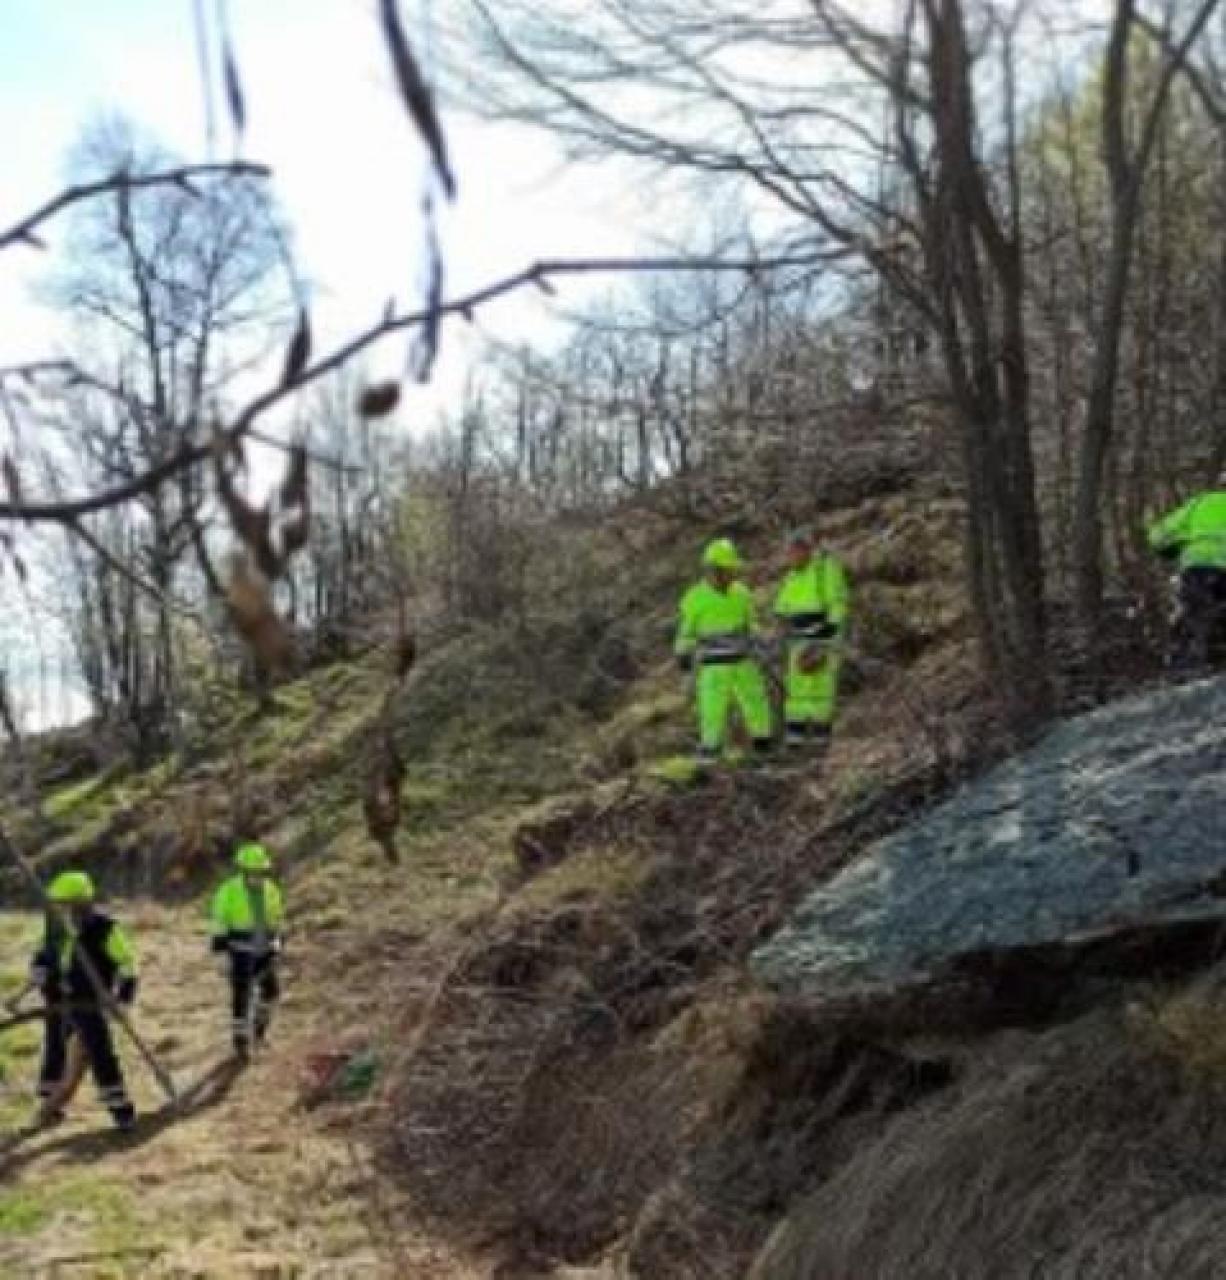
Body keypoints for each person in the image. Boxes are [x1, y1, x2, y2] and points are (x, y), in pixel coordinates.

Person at [31, 870, 138, 1130]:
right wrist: (41, 972)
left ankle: (120, 1110)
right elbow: (41, 956)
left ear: (81, 902)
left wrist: (122, 999)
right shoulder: (55, 927)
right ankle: (50, 1105)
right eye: (58, 904)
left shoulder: (104, 928)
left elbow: (127, 966)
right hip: (58, 1000)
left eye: (65, 904)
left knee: (101, 1053)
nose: (60, 910)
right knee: (55, 1049)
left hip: (89, 1002)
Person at [674, 537, 774, 763]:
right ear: (713, 570)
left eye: (733, 570)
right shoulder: (694, 598)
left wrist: (760, 637)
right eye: (728, 570)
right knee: (712, 713)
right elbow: (686, 632)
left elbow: (751, 623)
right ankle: (710, 759)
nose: (733, 575)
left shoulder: (742, 594)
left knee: (757, 703)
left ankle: (763, 751)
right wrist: (682, 655)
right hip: (713, 668)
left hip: (743, 661)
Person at [773, 527, 851, 750]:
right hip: (797, 642)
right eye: (787, 553)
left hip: (821, 640)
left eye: (792, 552)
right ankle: (795, 744)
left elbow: (838, 601)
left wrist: (827, 635)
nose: (789, 558)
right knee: (796, 695)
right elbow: (781, 606)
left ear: (804, 549)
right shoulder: (792, 576)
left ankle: (819, 744)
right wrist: (779, 620)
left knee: (820, 694)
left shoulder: (824, 569)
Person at [210, 842, 285, 1059]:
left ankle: (258, 1034)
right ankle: (240, 1042)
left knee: (271, 992)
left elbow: (277, 917)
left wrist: (279, 939)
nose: (256, 875)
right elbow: (219, 920)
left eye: (259, 871)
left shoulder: (271, 889)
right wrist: (221, 951)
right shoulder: (228, 890)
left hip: (265, 949)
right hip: (240, 950)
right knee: (241, 995)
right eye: (252, 871)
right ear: (242, 870)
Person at [1148, 487, 1226, 669]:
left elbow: (1158, 536)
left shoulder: (1199, 503)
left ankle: (1186, 671)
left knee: (1194, 620)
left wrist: (1170, 550)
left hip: (1197, 569)